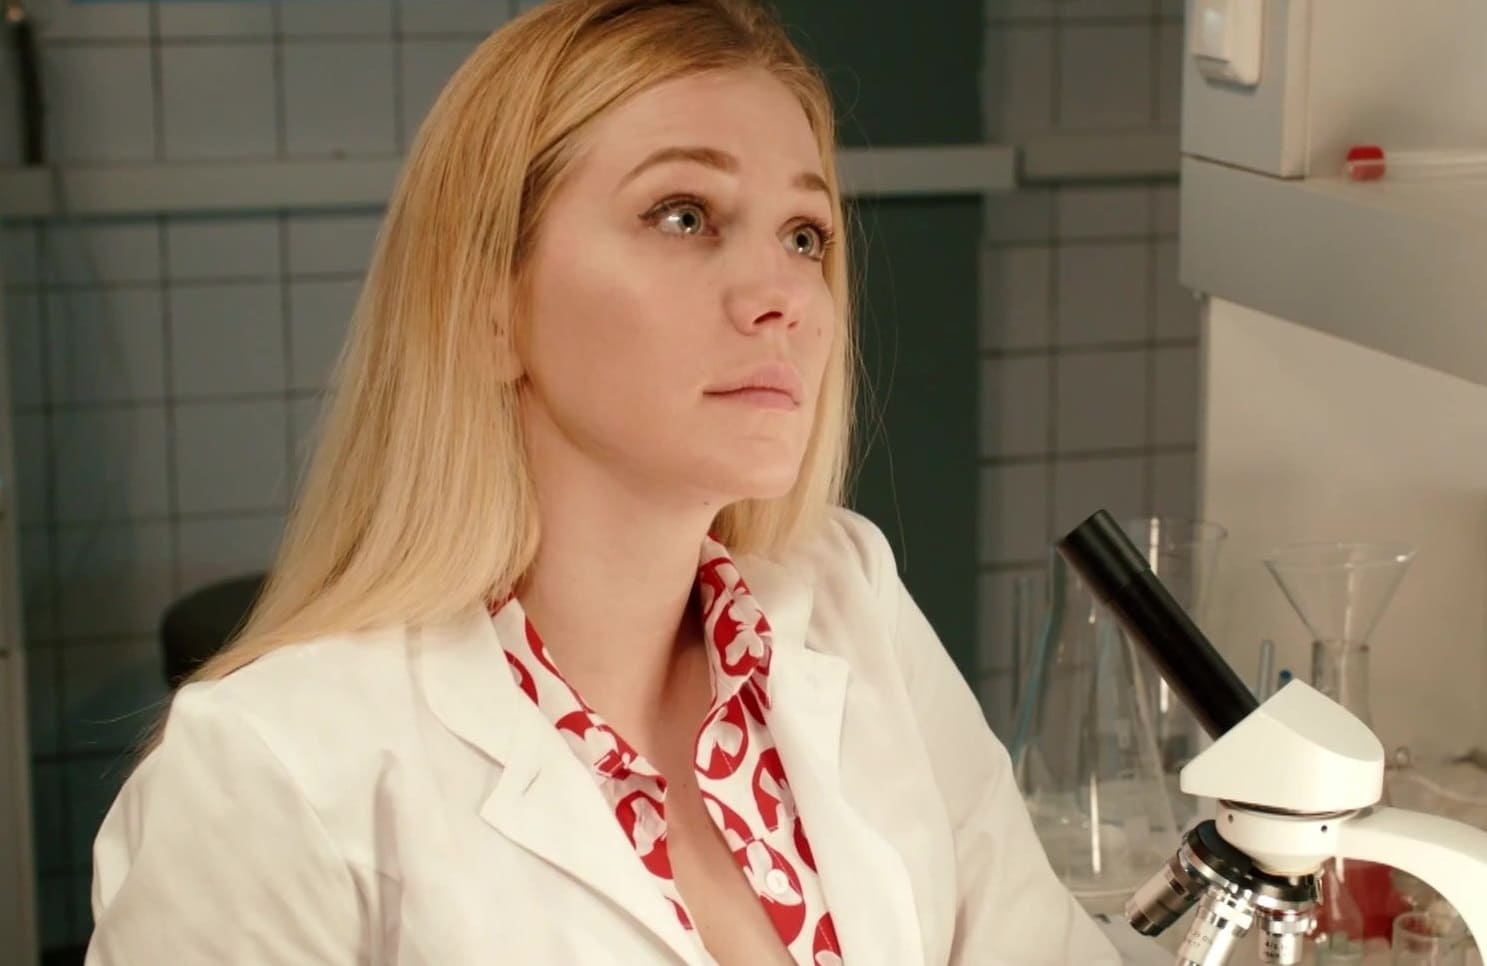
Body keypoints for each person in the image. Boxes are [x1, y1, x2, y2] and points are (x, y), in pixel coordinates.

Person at [84, 1, 1122, 963]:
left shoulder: (848, 596)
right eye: (683, 216)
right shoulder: (269, 773)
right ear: (488, 307)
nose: (784, 297)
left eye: (804, 235)